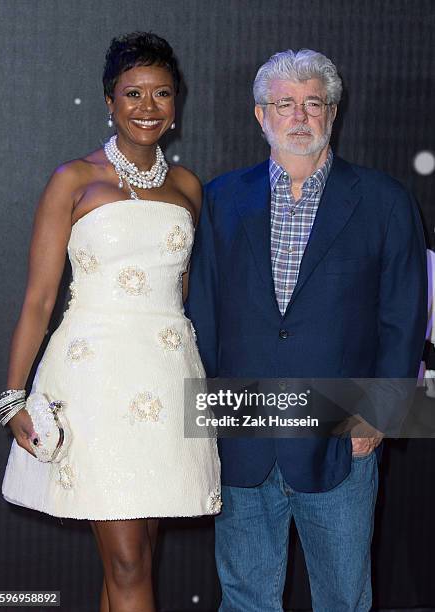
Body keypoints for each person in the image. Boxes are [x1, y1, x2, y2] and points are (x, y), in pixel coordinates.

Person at [186, 49, 426, 611]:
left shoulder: (385, 201)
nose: (299, 116)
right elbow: (205, 311)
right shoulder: (220, 199)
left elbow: (403, 312)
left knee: (343, 598)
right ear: (260, 116)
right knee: (245, 599)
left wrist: (383, 410)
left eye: (312, 103)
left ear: (333, 114)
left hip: (341, 438)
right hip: (243, 435)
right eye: (284, 104)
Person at [0, 32, 220, 612]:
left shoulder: (188, 187)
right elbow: (39, 301)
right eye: (133, 94)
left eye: (162, 94)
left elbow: (184, 297)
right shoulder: (74, 180)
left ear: (177, 104)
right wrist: (10, 397)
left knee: (137, 558)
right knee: (127, 561)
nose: (148, 107)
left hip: (169, 383)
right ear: (109, 101)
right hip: (94, 383)